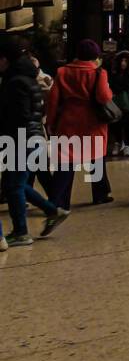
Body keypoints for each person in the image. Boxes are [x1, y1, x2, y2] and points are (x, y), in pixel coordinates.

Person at [0, 36, 70, 247]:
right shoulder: (26, 77)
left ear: (6, 59)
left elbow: (19, 115)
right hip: (31, 137)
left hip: (22, 139)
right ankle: (53, 211)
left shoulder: (15, 82)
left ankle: (21, 232)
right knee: (15, 184)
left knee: (13, 186)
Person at [45, 39, 116, 209]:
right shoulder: (99, 73)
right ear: (96, 56)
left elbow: (53, 100)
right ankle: (100, 194)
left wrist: (51, 122)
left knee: (66, 162)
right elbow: (104, 97)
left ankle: (60, 201)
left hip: (68, 121)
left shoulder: (62, 72)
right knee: (96, 157)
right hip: (92, 122)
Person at [107, 48, 129, 159]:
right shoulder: (113, 73)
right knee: (116, 124)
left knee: (128, 124)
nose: (123, 63)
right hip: (115, 102)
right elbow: (110, 85)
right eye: (122, 61)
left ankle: (127, 145)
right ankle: (118, 142)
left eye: (126, 61)